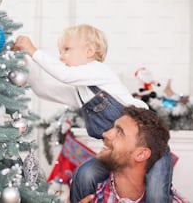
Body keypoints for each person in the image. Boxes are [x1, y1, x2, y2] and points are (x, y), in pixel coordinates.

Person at [12, 24, 172, 202]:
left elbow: (64, 74)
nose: (61, 56)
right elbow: (43, 90)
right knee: (85, 174)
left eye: (66, 49)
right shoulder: (81, 92)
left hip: (149, 148)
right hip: (117, 154)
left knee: (157, 194)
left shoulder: (100, 71)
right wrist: (28, 62)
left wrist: (33, 50)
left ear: (89, 51)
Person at [77, 106, 188, 203]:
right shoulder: (88, 195)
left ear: (141, 154)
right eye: (112, 128)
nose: (105, 134)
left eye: (120, 132)